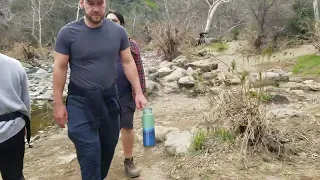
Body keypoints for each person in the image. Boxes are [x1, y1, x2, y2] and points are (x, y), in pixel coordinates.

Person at [52, 0, 147, 180]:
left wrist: (139, 92)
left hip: (110, 100)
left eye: (100, 3)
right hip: (80, 102)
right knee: (90, 154)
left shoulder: (118, 32)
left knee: (106, 150)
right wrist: (58, 104)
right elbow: (60, 67)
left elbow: (127, 62)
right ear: (81, 3)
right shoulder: (68, 33)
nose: (96, 8)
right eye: (91, 3)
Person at [106, 10, 146, 178]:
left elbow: (139, 69)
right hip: (104, 94)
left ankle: (128, 161)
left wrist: (140, 93)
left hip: (125, 93)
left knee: (127, 126)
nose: (110, 23)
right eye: (107, 20)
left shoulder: (131, 45)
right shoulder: (96, 44)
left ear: (121, 25)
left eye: (114, 21)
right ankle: (101, 162)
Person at [0, 53, 31, 180]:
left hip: (13, 128)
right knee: (15, 176)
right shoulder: (14, 64)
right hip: (13, 130)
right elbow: (25, 101)